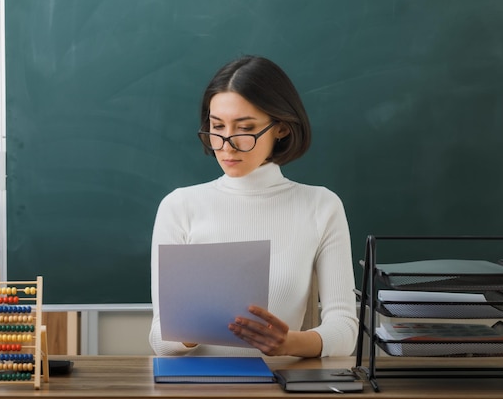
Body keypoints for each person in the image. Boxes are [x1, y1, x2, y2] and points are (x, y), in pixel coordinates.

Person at [149, 55, 358, 358]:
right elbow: (160, 339)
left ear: (281, 128)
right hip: (194, 387)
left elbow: (344, 331)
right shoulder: (180, 206)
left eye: (244, 128)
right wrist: (190, 329)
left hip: (277, 385)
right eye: (217, 126)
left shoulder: (321, 205)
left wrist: (289, 344)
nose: (226, 144)